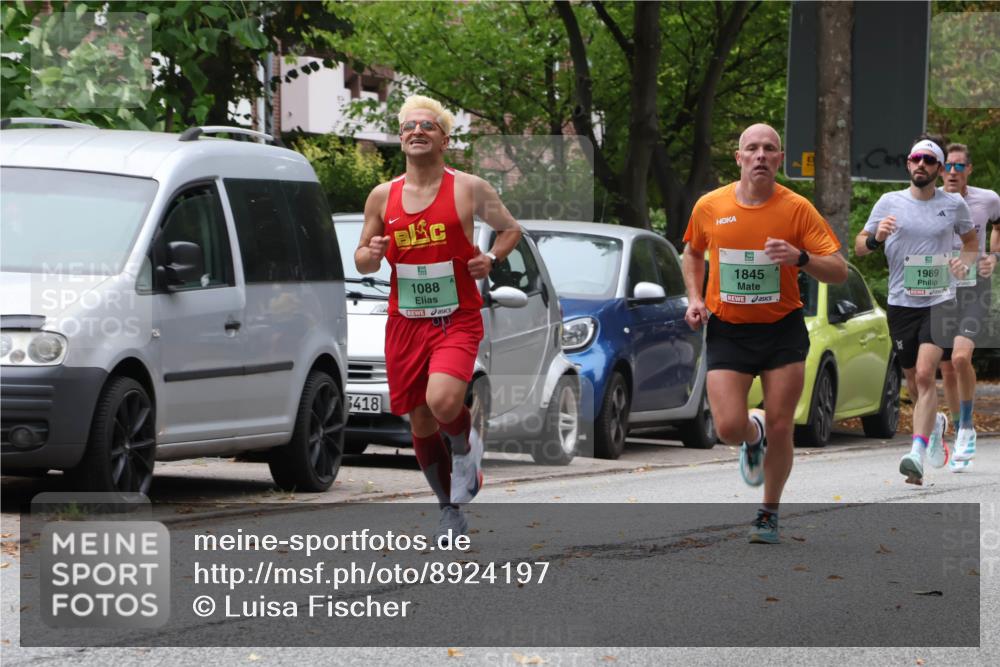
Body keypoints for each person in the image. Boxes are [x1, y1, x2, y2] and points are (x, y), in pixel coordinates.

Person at [355, 95, 521, 541]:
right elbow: (363, 260)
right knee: (421, 420)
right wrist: (369, 254)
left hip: (456, 317)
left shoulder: (468, 188)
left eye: (427, 125)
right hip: (405, 321)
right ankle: (450, 508)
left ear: (444, 139)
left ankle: (467, 446)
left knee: (445, 402)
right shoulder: (381, 195)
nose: (416, 131)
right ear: (401, 138)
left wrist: (489, 257)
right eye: (409, 126)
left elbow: (511, 229)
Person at [682, 123, 847, 544]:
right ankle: (749, 438)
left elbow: (839, 270)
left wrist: (800, 256)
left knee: (781, 425)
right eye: (751, 149)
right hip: (729, 330)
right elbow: (693, 252)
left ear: (779, 159)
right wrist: (695, 298)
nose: (760, 155)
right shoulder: (710, 206)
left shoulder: (796, 209)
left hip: (782, 331)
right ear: (738, 158)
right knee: (728, 427)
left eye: (769, 149)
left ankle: (768, 513)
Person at [855, 137, 975, 485]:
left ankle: (916, 453)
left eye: (928, 160)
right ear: (908, 165)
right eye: (915, 159)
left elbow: (970, 243)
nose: (920, 164)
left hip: (940, 300)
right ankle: (934, 423)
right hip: (901, 304)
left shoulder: (952, 205)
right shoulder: (888, 202)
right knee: (913, 380)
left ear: (938, 168)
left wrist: (963, 263)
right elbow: (861, 247)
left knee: (925, 374)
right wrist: (877, 237)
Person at [936, 142, 1000, 472]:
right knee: (947, 367)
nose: (952, 172)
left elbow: (999, 226)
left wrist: (994, 256)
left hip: (975, 289)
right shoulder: (928, 201)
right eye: (947, 165)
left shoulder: (988, 199)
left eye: (959, 166)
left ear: (968, 171)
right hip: (941, 291)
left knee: (962, 357)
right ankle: (957, 428)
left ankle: (965, 425)